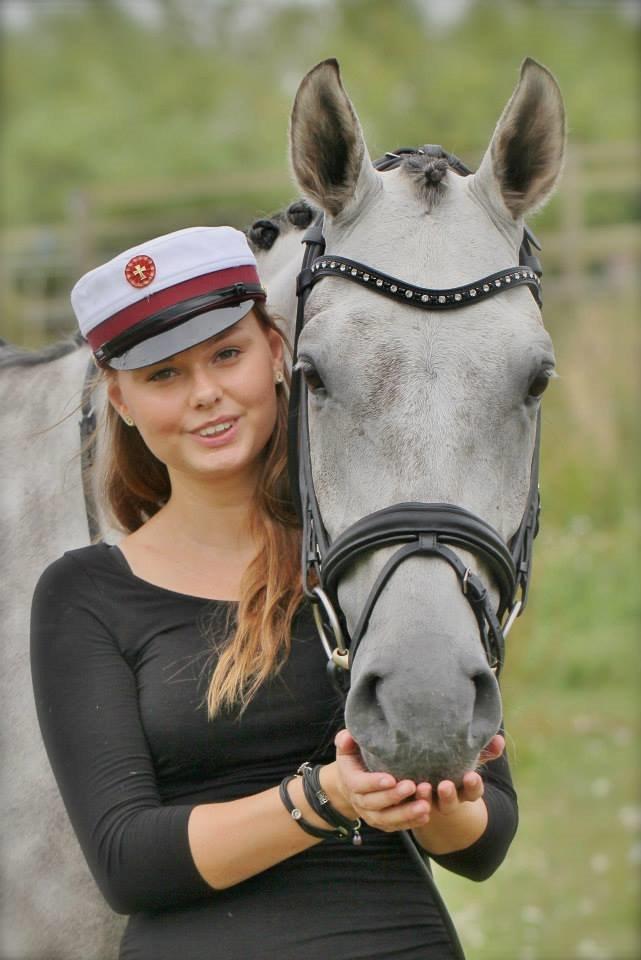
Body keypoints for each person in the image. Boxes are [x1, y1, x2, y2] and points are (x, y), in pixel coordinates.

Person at [30, 226, 517, 960]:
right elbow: (126, 861)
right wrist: (324, 799)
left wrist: (436, 795)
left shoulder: (371, 563)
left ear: (277, 352)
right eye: (164, 375)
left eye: (227, 354)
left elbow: (483, 842)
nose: (206, 395)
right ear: (121, 400)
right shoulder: (84, 594)